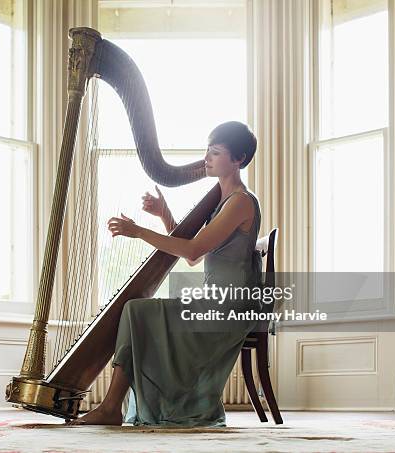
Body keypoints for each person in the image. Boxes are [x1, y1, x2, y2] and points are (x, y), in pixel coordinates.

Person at [68, 121, 262, 427]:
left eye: (215, 152)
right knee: (136, 312)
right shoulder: (224, 202)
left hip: (228, 308)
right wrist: (164, 215)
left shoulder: (240, 202)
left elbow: (193, 251)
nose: (206, 158)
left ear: (238, 159)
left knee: (136, 311)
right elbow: (196, 254)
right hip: (215, 301)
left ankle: (110, 407)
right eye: (206, 151)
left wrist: (138, 231)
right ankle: (110, 407)